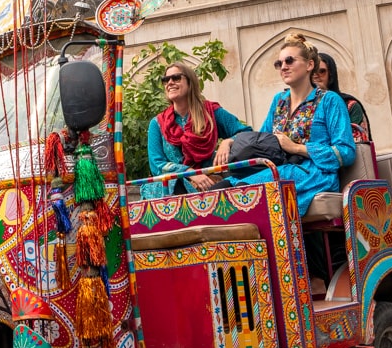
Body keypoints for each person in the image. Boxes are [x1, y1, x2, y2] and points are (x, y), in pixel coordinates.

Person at [227, 32, 356, 216]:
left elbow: (346, 152)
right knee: (227, 184)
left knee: (246, 190)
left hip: (315, 174)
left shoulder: (329, 101)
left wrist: (297, 148)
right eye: (279, 64)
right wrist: (230, 141)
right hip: (280, 170)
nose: (283, 67)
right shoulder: (279, 101)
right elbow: (263, 139)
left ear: (310, 65)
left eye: (289, 61)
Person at [146, 62, 251, 194]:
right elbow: (156, 164)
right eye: (166, 80)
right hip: (176, 188)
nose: (170, 82)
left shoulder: (210, 113)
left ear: (190, 82)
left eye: (176, 78)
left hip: (211, 183)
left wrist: (228, 142)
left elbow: (246, 133)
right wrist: (189, 173)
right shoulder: (157, 123)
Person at [314, 51, 370, 142]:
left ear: (330, 74)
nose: (315, 75)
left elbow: (351, 144)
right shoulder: (300, 107)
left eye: (321, 71)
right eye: (312, 72)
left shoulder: (350, 106)